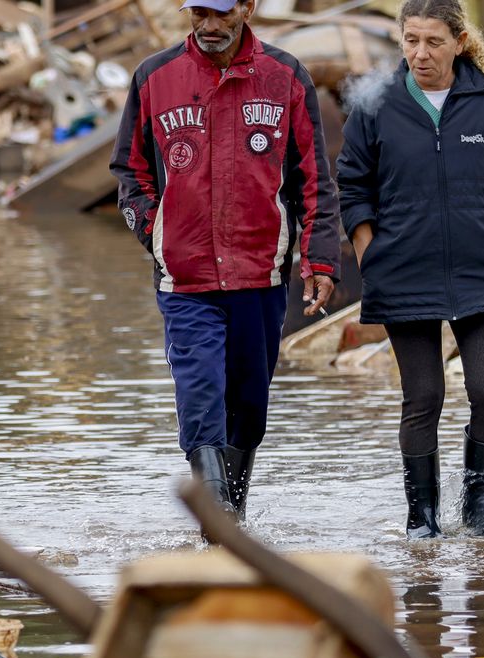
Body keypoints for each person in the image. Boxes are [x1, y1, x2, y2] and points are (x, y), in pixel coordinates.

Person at [112, 0, 340, 517]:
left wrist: (320, 261)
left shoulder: (285, 77)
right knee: (199, 391)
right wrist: (154, 233)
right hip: (185, 278)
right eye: (199, 14)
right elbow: (129, 172)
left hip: (261, 273)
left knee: (249, 406)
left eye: (222, 14)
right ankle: (216, 522)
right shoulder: (155, 77)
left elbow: (315, 182)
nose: (210, 27)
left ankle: (232, 518)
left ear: (248, 7)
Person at [336, 0, 484, 538]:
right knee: (423, 398)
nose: (421, 54)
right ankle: (422, 516)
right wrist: (370, 253)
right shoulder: (377, 105)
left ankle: (481, 502)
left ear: (460, 41)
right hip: (403, 272)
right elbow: (352, 185)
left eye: (434, 42)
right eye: (411, 41)